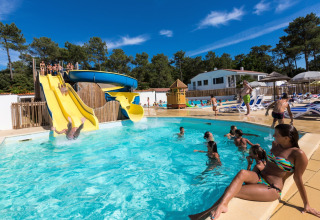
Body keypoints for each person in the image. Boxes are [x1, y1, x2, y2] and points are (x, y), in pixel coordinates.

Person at [189, 124, 320, 220]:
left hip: (272, 188)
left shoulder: (298, 154)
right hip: (259, 177)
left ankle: (203, 215)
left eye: (276, 134)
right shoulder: (276, 145)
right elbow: (267, 161)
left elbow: (298, 178)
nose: (273, 136)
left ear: (287, 138)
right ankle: (217, 208)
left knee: (233, 191)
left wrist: (306, 204)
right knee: (241, 173)